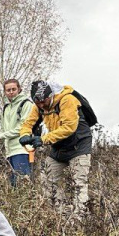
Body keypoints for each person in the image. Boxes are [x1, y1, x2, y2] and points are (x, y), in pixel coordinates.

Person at [18, 81, 92, 217]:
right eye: (37, 102)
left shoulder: (67, 99)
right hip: (59, 146)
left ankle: (80, 219)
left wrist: (43, 139)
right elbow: (28, 123)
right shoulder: (38, 105)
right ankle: (61, 216)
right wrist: (24, 134)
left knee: (79, 183)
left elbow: (69, 127)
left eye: (43, 101)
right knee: (48, 180)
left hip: (79, 144)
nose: (41, 105)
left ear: (50, 95)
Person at [0, 79, 35, 185]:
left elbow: (23, 128)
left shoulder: (26, 104)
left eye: (13, 89)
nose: (11, 92)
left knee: (23, 184)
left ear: (19, 89)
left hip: (22, 150)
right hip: (9, 152)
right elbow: (5, 129)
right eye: (8, 90)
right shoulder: (6, 108)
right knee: (14, 186)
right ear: (5, 92)